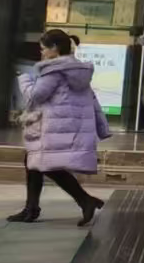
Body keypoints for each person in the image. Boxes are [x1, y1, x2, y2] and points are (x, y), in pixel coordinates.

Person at [7, 29, 110, 226]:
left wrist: (24, 78)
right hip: (66, 125)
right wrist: (101, 126)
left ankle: (83, 200)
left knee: (43, 164)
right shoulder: (76, 70)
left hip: (53, 126)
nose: (42, 52)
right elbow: (92, 99)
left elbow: (34, 97)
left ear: (54, 48)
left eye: (43, 48)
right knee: (35, 162)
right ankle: (32, 208)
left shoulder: (54, 71)